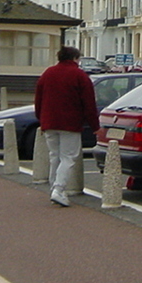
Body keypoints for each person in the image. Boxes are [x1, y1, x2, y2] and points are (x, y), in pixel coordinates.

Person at [34, 45, 99, 207]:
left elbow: (38, 100)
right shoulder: (79, 75)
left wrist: (41, 120)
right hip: (70, 123)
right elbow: (89, 104)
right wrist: (94, 125)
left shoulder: (47, 73)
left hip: (49, 122)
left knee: (54, 155)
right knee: (68, 157)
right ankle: (59, 188)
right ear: (75, 59)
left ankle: (54, 188)